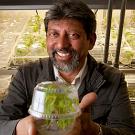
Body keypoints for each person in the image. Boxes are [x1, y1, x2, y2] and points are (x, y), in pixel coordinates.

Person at [0, 0, 135, 134]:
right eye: (54, 34)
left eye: (73, 35)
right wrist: (21, 127)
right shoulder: (26, 74)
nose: (61, 45)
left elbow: (127, 131)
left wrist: (93, 130)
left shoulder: (114, 79)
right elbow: (2, 123)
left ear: (91, 41)